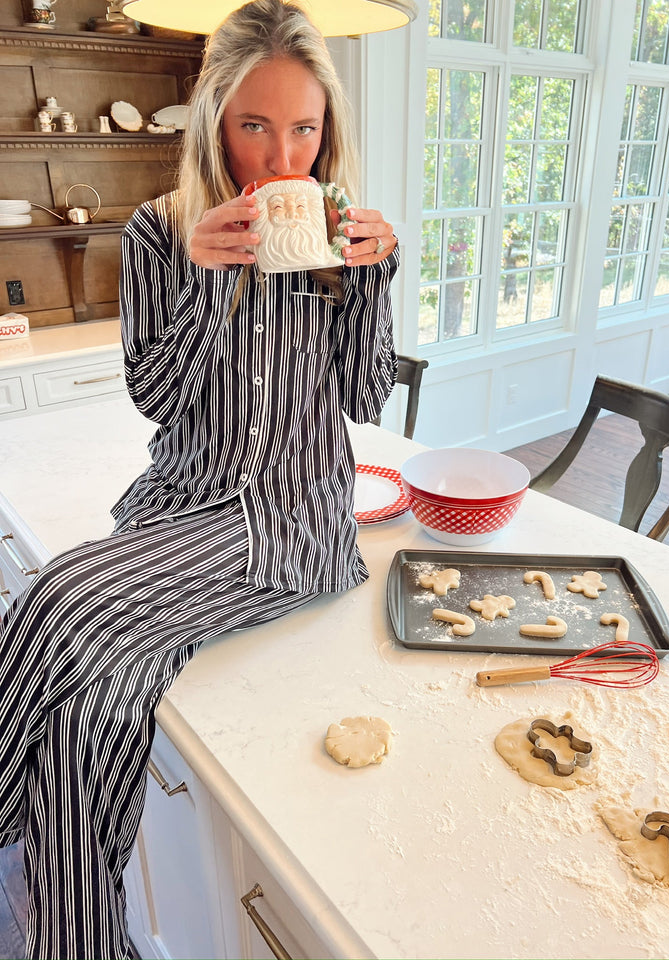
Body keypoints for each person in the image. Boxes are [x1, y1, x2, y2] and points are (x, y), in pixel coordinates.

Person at [0, 1, 399, 956]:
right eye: (255, 125)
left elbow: (366, 396)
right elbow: (158, 397)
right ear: (217, 119)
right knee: (92, 706)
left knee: (57, 593)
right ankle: (79, 939)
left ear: (327, 130)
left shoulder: (337, 233)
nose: (282, 157)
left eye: (304, 129)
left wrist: (373, 280)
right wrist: (211, 279)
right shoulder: (157, 230)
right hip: (177, 510)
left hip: (292, 528)